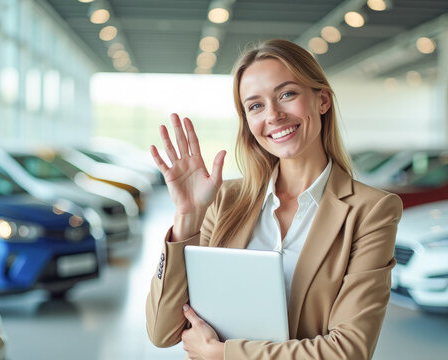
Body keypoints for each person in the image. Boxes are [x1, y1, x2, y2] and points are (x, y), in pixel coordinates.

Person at [146, 39, 402, 360]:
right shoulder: (224, 200)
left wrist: (224, 353)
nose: (273, 115)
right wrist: (187, 218)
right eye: (255, 106)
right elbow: (161, 331)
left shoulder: (371, 211)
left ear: (322, 100)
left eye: (287, 94)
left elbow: (348, 350)